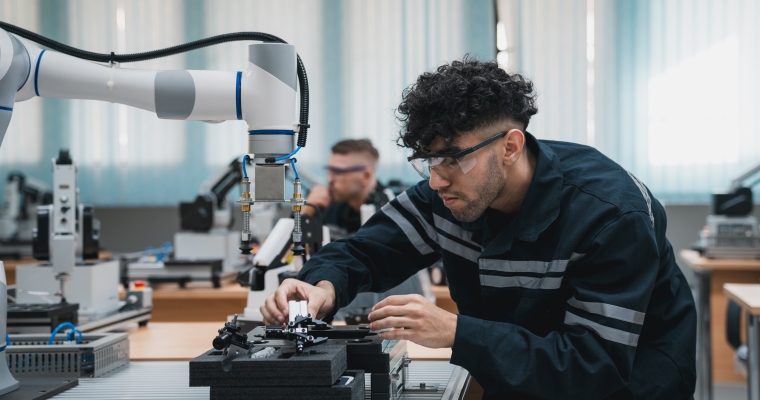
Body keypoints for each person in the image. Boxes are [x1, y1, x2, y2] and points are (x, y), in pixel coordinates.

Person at [262, 58, 696, 399]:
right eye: (429, 160)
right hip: (517, 378)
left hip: (626, 387)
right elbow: (364, 251)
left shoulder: (610, 216)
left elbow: (592, 365)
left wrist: (457, 333)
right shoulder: (449, 195)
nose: (436, 180)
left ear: (510, 146)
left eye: (453, 159)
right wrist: (321, 287)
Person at [303, 139, 390, 240]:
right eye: (329, 171)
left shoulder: (390, 212)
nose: (329, 180)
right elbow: (290, 252)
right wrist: (306, 212)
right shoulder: (327, 203)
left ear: (366, 176)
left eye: (338, 172)